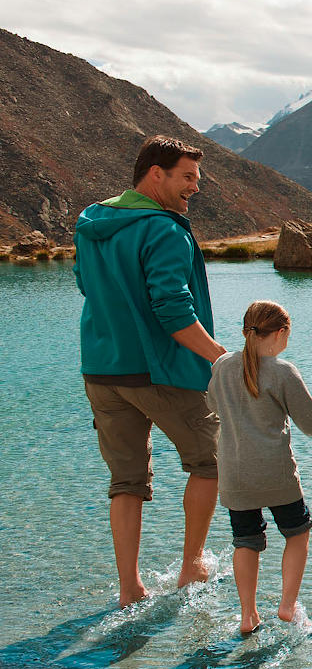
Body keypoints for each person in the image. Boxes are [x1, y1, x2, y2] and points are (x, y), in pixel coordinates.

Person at [74, 135, 227, 608]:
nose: (194, 188)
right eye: (187, 177)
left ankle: (130, 587)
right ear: (155, 173)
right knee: (211, 462)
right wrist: (222, 359)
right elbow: (172, 309)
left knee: (126, 480)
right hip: (162, 370)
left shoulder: (91, 222)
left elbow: (84, 283)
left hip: (102, 368)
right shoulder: (164, 229)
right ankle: (191, 566)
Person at [207, 301, 312, 635]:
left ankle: (248, 616)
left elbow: (212, 404)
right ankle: (287, 606)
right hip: (276, 474)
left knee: (245, 541)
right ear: (280, 333)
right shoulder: (282, 371)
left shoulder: (221, 365)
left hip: (234, 475)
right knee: (298, 532)